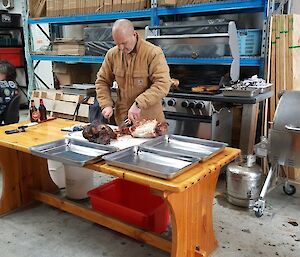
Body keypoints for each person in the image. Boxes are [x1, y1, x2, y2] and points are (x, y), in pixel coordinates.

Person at [95, 19, 171, 126]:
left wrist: (139, 104)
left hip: (150, 123)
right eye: (117, 44)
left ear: (134, 34)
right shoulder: (112, 54)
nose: (121, 48)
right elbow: (102, 81)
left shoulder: (153, 53)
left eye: (124, 43)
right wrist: (106, 104)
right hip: (123, 121)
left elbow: (162, 84)